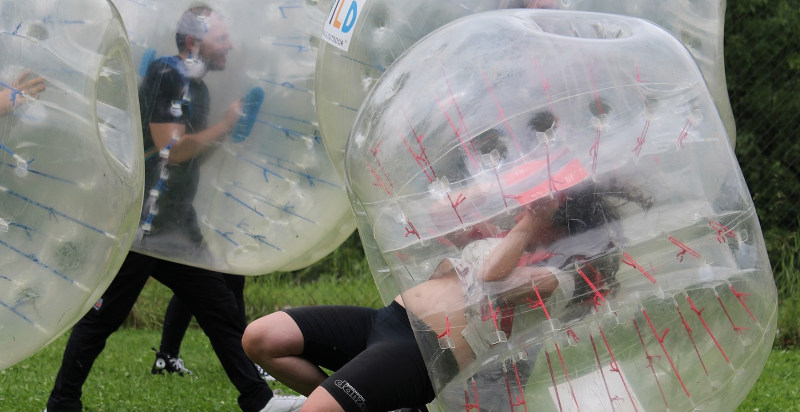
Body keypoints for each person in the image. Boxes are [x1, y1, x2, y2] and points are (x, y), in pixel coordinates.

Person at [45, 6, 304, 412]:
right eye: (222, 38)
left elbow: (188, 155)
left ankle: (259, 400)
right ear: (193, 42)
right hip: (145, 224)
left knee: (220, 307)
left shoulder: (196, 88)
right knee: (102, 317)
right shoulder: (168, 75)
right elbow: (170, 149)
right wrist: (226, 124)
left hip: (177, 222)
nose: (230, 45)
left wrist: (225, 134)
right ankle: (61, 404)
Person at [242, 176, 651, 411]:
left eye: (542, 213)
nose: (529, 211)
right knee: (262, 338)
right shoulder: (504, 241)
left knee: (318, 411)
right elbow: (441, 218)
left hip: (422, 354)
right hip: (387, 320)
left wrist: (526, 223)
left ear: (563, 229)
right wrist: (498, 190)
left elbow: (492, 279)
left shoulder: (555, 283)